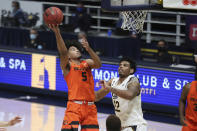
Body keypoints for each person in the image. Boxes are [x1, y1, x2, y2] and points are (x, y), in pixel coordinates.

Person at [48, 24, 101, 131]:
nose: (76, 50)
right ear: (68, 55)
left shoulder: (87, 63)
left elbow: (98, 64)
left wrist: (89, 49)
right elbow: (62, 52)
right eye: (73, 49)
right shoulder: (67, 65)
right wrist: (57, 32)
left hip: (90, 107)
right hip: (74, 106)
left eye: (77, 49)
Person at [95, 57, 147, 131]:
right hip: (121, 126)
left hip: (135, 125)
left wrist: (110, 88)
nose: (121, 66)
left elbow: (130, 95)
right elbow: (97, 96)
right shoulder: (113, 81)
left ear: (131, 70)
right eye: (120, 65)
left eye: (125, 65)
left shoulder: (133, 80)